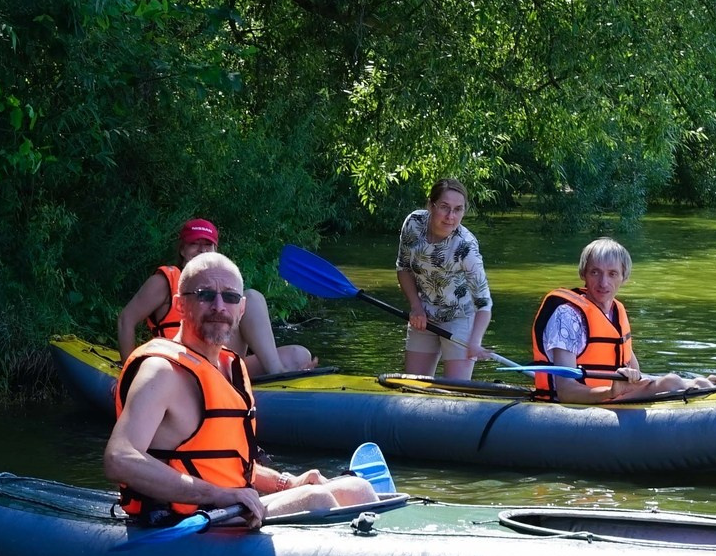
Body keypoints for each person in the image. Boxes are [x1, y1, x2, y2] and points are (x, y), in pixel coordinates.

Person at [106, 251, 378, 529]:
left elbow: (225, 462)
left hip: (227, 507)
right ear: (180, 305)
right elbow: (119, 459)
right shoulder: (160, 371)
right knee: (316, 499)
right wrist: (217, 494)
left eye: (230, 297)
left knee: (356, 489)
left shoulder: (231, 366)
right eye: (205, 295)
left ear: (242, 308)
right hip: (187, 518)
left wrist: (285, 481)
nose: (219, 306)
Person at [529, 238, 716, 403]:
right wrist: (611, 392)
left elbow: (637, 377)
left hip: (613, 400)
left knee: (684, 382)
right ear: (583, 274)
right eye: (595, 272)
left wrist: (694, 383)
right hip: (577, 408)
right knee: (670, 382)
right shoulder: (567, 316)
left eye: (612, 273)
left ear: (624, 277)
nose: (603, 283)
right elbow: (566, 392)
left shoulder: (616, 313)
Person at [114, 217, 314, 377]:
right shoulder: (165, 280)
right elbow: (126, 320)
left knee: (299, 355)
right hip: (182, 364)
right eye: (195, 244)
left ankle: (273, 375)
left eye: (208, 245)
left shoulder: (222, 283)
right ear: (182, 250)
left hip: (220, 361)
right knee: (251, 298)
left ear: (215, 250)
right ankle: (276, 374)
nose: (202, 250)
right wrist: (128, 372)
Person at [395, 178, 494, 379]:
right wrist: (416, 307)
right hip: (423, 314)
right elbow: (403, 267)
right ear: (430, 205)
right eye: (444, 207)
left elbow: (484, 303)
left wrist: (475, 342)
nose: (451, 216)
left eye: (458, 209)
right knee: (414, 388)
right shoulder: (413, 223)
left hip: (460, 318)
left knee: (455, 395)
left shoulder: (466, 247)